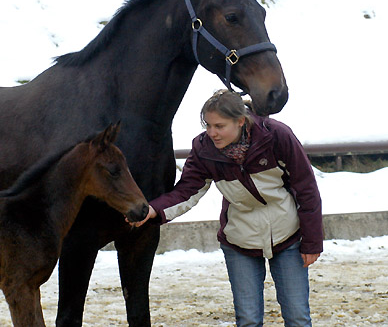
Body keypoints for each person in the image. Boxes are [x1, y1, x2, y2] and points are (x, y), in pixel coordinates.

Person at [132, 89, 323, 327]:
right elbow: (187, 191)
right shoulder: (204, 150)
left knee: (297, 317)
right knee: (248, 320)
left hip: (288, 235)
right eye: (208, 125)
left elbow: (306, 189)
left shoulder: (276, 136)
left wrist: (312, 241)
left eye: (219, 126)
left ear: (240, 121)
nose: (212, 133)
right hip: (239, 240)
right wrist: (153, 210)